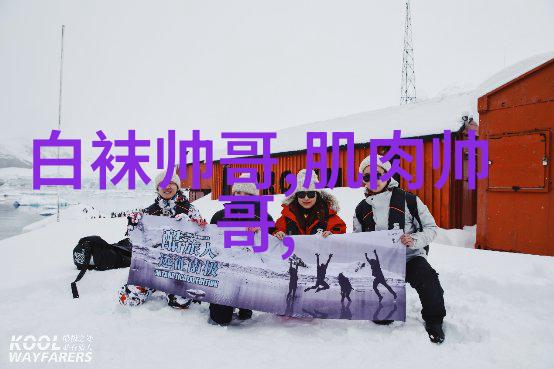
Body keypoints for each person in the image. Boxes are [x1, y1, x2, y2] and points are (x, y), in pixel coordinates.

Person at [353, 155, 446, 344]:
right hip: (382, 264)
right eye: (366, 177)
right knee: (382, 319)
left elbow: (431, 229)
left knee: (428, 278)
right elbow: (357, 239)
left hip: (410, 257)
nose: (373, 180)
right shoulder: (361, 209)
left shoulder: (409, 200)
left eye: (377, 174)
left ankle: (434, 319)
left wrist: (413, 239)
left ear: (387, 174)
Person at [118, 171, 207, 309]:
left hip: (178, 269)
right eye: (163, 184)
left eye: (171, 183)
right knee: (129, 299)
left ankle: (171, 288)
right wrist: (133, 227)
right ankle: (152, 285)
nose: (167, 187)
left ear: (177, 186)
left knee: (179, 303)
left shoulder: (190, 210)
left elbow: (201, 243)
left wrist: (191, 226)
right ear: (157, 188)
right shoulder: (148, 212)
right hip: (151, 267)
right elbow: (136, 243)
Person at [208, 173, 275, 325]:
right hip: (225, 274)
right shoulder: (220, 216)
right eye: (238, 192)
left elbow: (275, 244)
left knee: (246, 314)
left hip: (252, 275)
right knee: (220, 319)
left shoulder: (265, 217)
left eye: (247, 194)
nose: (242, 196)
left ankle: (245, 305)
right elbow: (210, 240)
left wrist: (261, 230)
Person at [273, 169, 346, 239]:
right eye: (301, 194)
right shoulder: (287, 217)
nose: (306, 198)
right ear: (296, 196)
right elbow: (275, 231)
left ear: (317, 195)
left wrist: (333, 235)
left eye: (311, 194)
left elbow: (341, 233)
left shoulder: (328, 214)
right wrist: (278, 233)